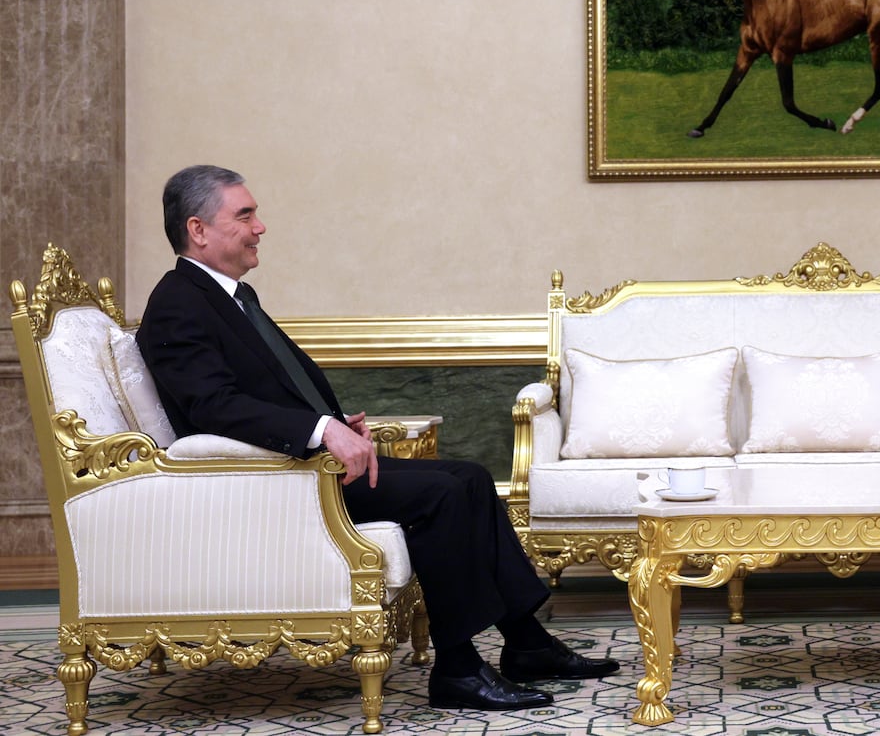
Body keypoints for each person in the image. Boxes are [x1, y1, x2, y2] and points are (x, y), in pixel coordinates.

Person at [136, 165, 620, 711]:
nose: (260, 227)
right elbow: (212, 406)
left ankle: (527, 644)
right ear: (198, 230)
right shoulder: (179, 302)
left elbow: (269, 387)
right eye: (245, 215)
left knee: (471, 478)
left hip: (304, 465)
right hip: (272, 486)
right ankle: (458, 671)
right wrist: (321, 431)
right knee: (442, 495)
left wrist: (336, 421)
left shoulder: (230, 296)